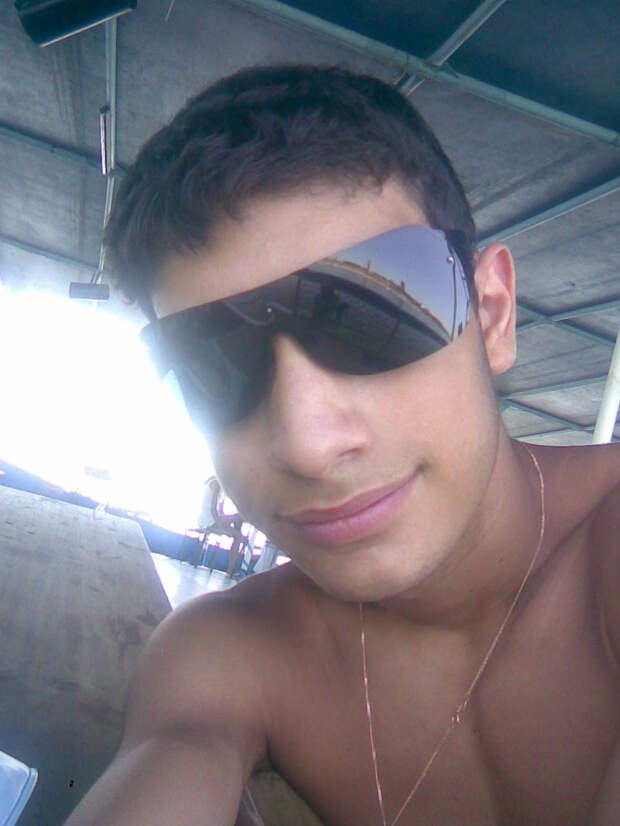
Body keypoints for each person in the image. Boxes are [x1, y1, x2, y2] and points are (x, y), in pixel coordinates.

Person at [66, 66, 619, 826]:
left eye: (366, 321)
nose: (306, 443)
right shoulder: (233, 652)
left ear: (491, 314)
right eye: (211, 368)